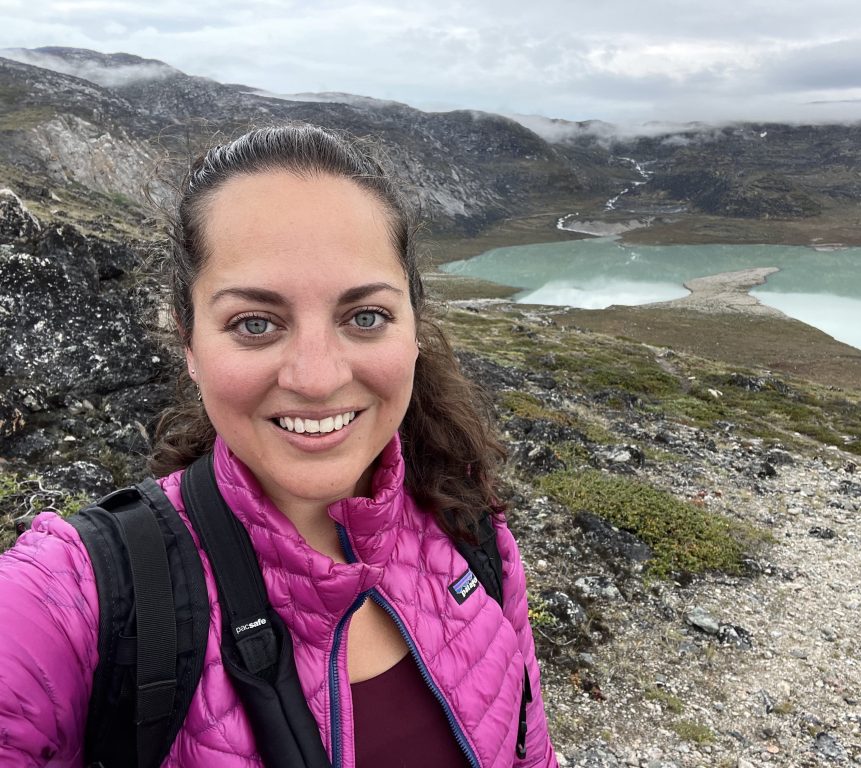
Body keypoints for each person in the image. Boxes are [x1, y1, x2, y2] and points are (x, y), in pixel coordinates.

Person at [0, 124, 558, 767]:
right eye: (256, 324)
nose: (317, 378)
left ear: (413, 329)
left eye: (365, 317)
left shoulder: (469, 526)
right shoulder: (95, 590)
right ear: (189, 343)